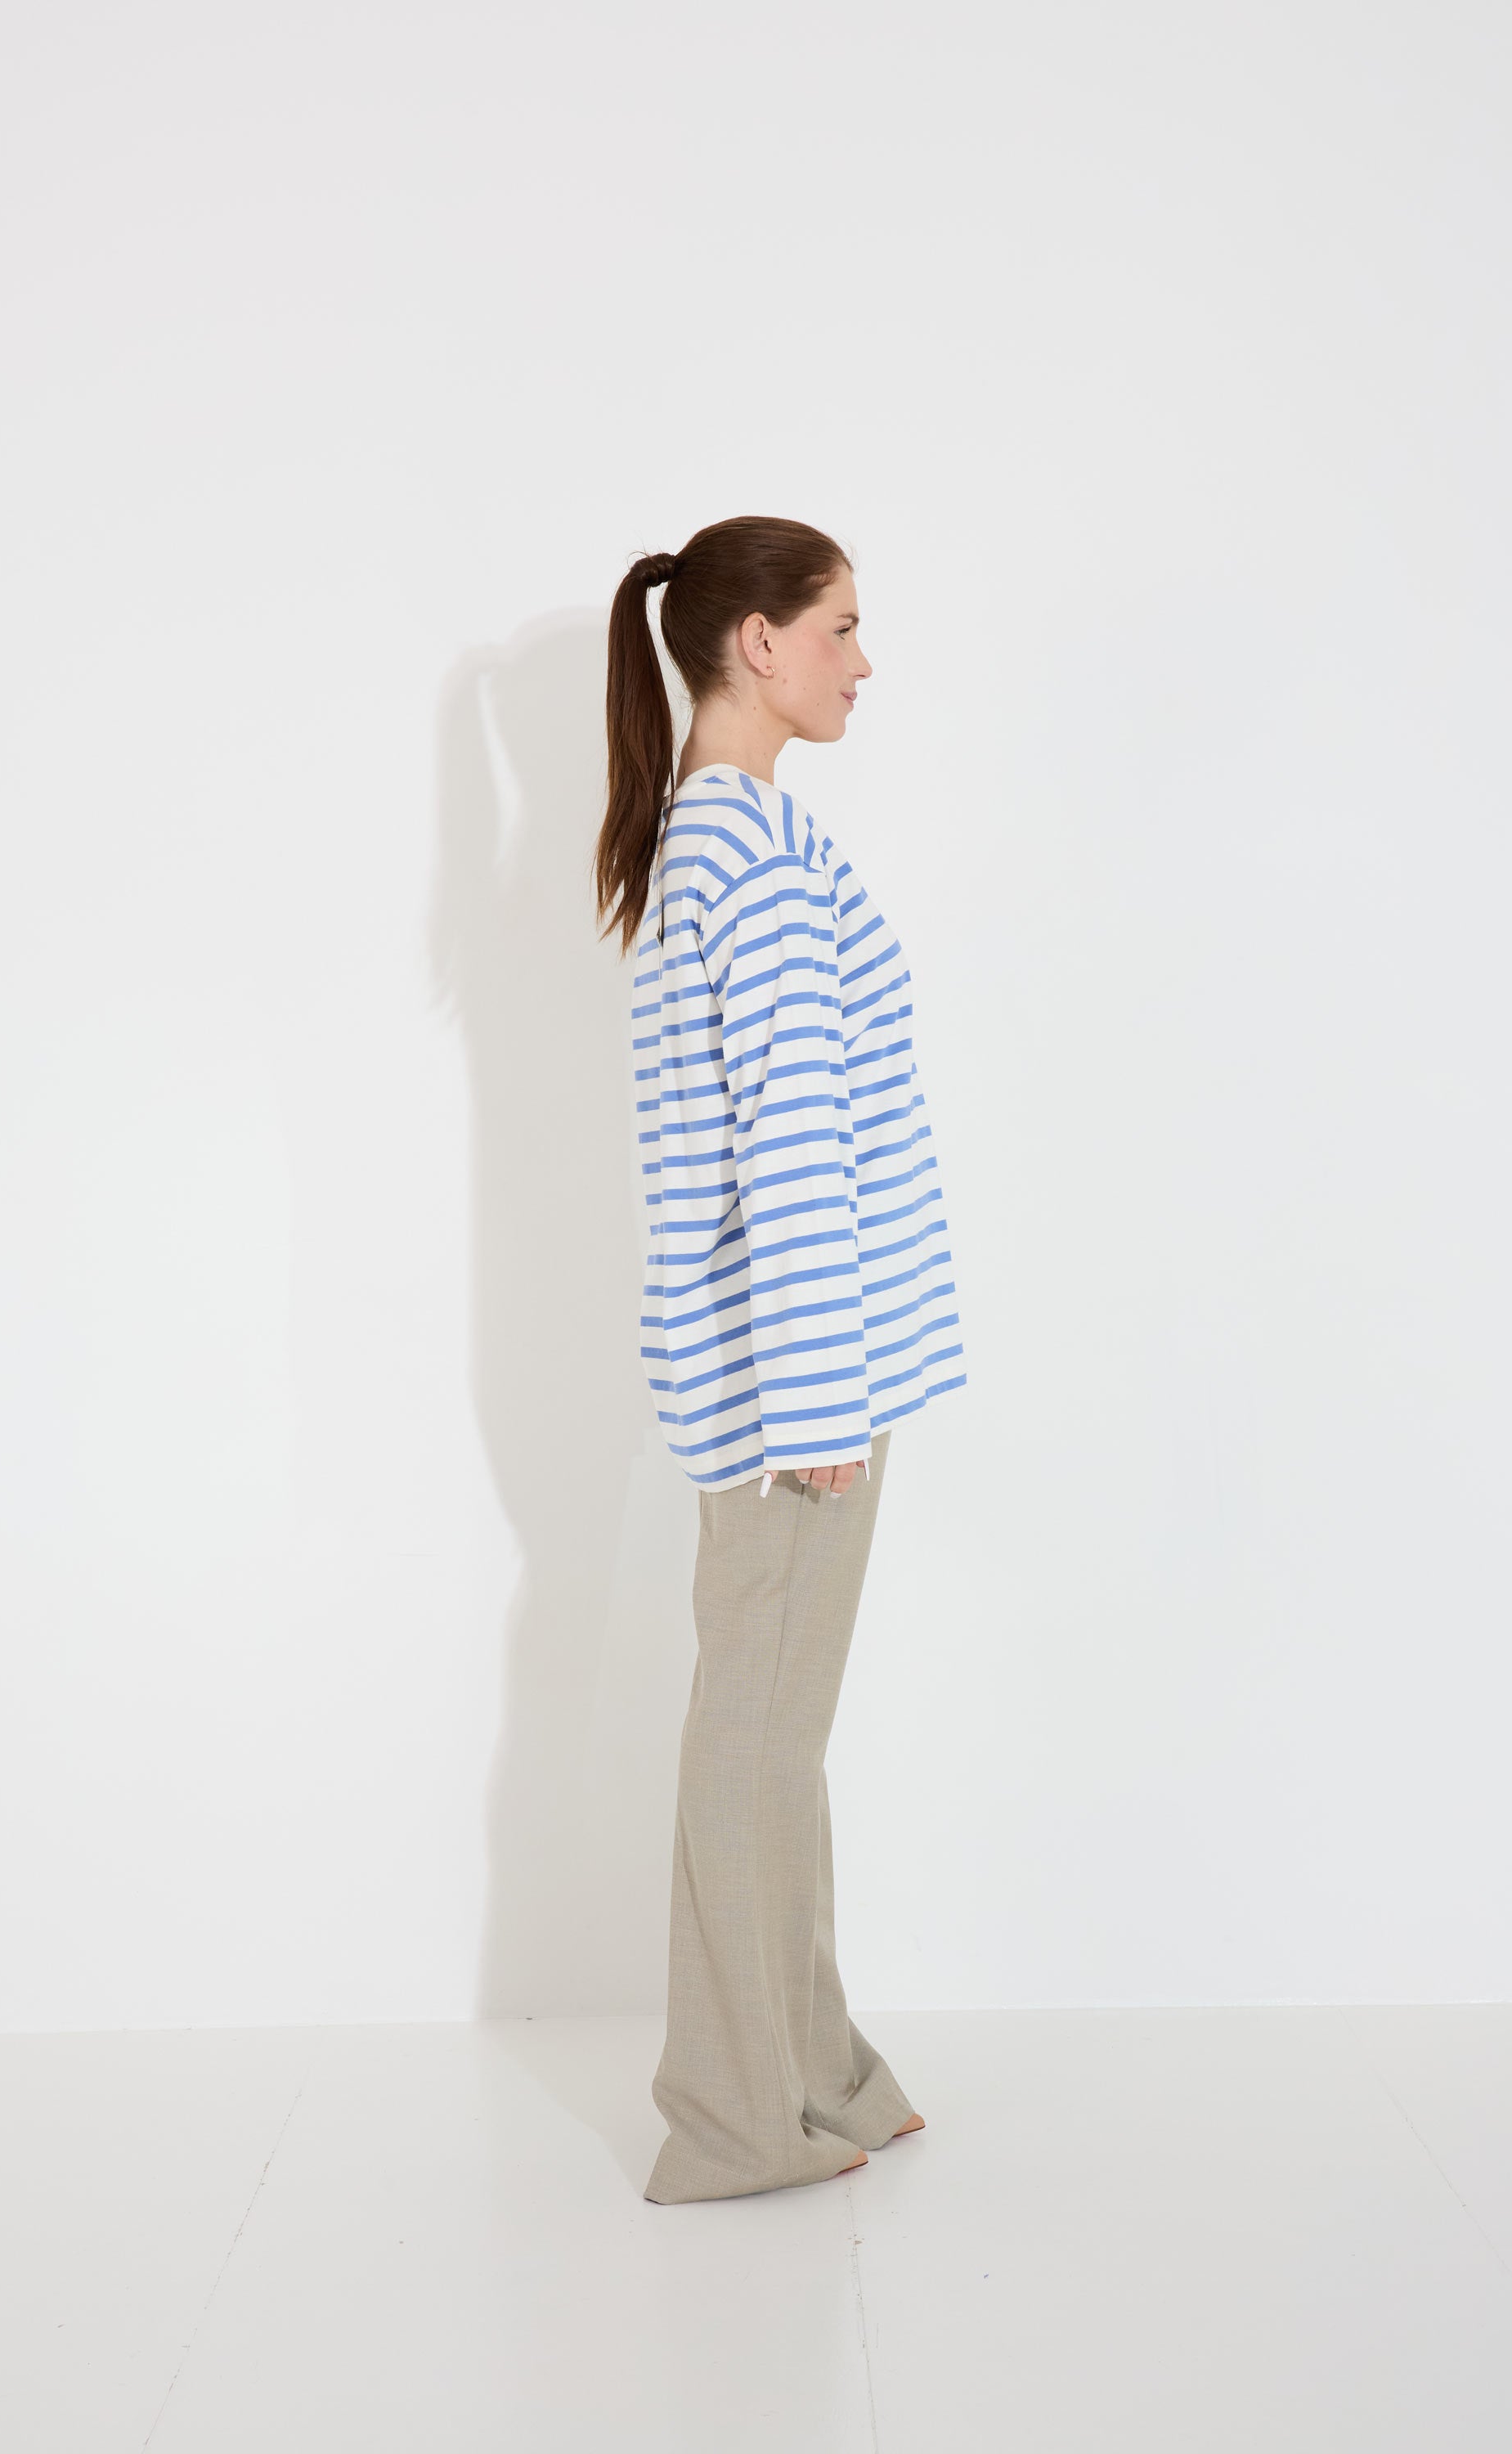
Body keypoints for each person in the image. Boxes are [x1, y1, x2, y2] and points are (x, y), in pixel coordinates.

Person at [594, 515, 965, 2205]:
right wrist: (821, 1402)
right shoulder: (741, 857)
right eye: (841, 628)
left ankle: (818, 2073)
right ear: (758, 642)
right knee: (752, 1741)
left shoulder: (740, 838)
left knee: (776, 1740)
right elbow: (790, 1146)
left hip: (805, 1376)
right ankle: (739, 2118)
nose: (862, 663)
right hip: (792, 1394)